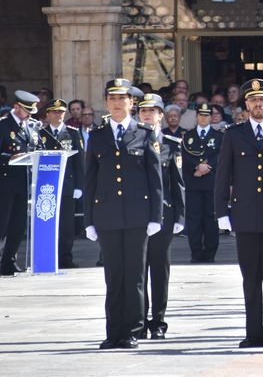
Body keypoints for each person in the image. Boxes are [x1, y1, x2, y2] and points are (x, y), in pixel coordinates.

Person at [84, 78, 163, 349]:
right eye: (112, 98)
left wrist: (156, 216)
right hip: (107, 216)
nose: (117, 103)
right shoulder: (97, 136)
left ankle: (132, 330)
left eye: (122, 98)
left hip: (138, 216)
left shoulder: (144, 134)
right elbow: (90, 180)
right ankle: (113, 332)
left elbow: (155, 180)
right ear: (106, 103)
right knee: (113, 276)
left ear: (132, 103)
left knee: (135, 276)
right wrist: (89, 220)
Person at [214, 79, 263, 348]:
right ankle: (253, 333)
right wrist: (221, 211)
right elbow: (223, 175)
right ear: (246, 104)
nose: (258, 104)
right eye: (253, 100)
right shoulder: (234, 134)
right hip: (245, 216)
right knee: (250, 278)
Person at [137, 93, 185, 340]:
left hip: (164, 214)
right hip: (138, 215)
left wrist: (180, 216)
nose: (147, 115)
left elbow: (178, 183)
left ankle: (158, 321)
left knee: (159, 270)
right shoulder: (132, 142)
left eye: (152, 111)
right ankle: (139, 320)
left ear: (160, 115)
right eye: (143, 111)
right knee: (138, 271)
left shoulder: (170, 144)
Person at [38, 98, 85, 269]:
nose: (58, 115)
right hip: (46, 186)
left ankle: (65, 258)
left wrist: (79, 186)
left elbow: (80, 162)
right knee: (47, 224)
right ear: (48, 114)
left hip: (67, 186)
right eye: (54, 112)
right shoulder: (41, 134)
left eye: (61, 112)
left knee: (66, 226)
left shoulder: (72, 133)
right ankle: (48, 257)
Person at [0, 90, 41, 276]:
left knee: (18, 225)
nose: (30, 115)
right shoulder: (3, 125)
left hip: (25, 183)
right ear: (16, 107)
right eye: (27, 111)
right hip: (5, 183)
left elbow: (38, 147)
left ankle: (9, 261)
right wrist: (11, 157)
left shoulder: (31, 126)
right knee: (3, 223)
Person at [182, 103, 223, 263]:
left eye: (207, 115)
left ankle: (210, 253)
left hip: (211, 183)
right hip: (194, 182)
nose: (204, 118)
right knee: (194, 219)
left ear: (211, 117)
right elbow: (184, 155)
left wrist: (207, 167)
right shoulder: (188, 135)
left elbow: (220, 155)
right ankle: (196, 253)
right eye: (201, 115)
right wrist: (197, 166)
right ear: (197, 116)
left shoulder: (218, 136)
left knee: (211, 219)